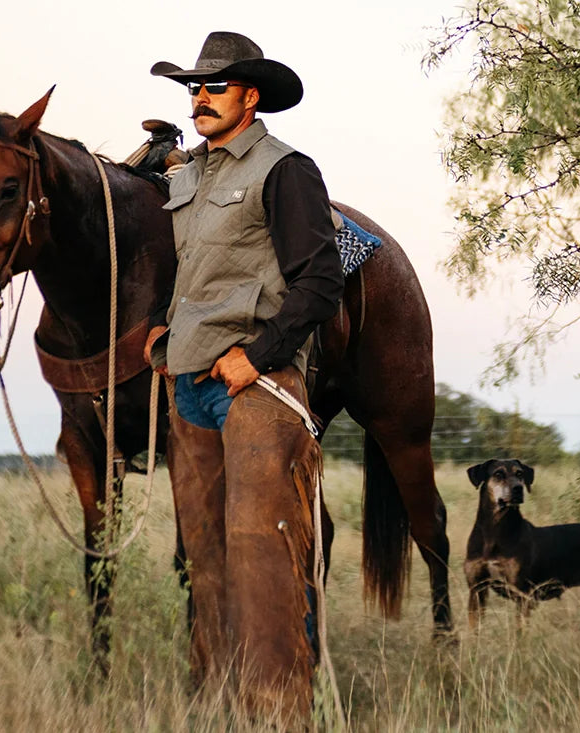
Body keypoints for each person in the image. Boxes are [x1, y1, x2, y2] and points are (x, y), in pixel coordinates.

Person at [142, 30, 342, 719]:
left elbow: (320, 281)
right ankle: (217, 701)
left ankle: (282, 712)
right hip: (189, 384)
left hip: (256, 388)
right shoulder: (191, 175)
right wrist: (169, 330)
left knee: (265, 569)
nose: (199, 98)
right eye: (192, 88)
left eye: (214, 87)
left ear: (251, 96)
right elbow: (198, 268)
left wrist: (255, 355)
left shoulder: (287, 170)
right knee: (205, 558)